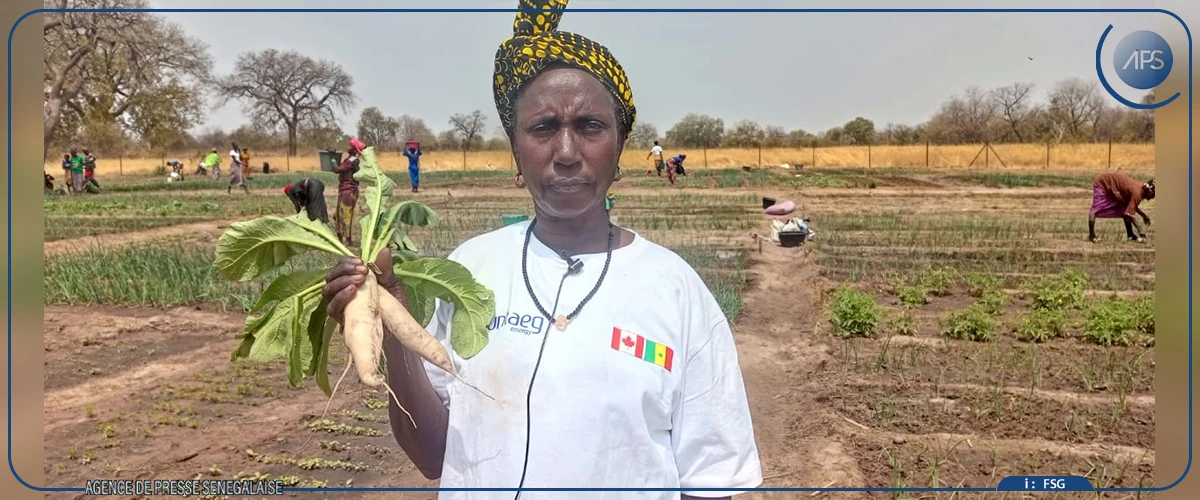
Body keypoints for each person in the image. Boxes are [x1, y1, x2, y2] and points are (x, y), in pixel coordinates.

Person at [320, 2, 762, 498]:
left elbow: (715, 481)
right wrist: (393, 319)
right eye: (544, 128)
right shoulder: (471, 270)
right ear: (516, 148)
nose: (568, 153)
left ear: (619, 145)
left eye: (591, 126)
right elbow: (430, 455)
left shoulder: (676, 290)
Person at [1089, 172, 1155, 243]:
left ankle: (1130, 235)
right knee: (1096, 209)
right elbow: (1128, 214)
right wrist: (1139, 227)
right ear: (1149, 191)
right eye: (1153, 195)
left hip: (1113, 186)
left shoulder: (1141, 189)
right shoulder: (1137, 193)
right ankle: (1092, 236)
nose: (1152, 198)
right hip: (1103, 183)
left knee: (1124, 207)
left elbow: (1131, 206)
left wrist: (1143, 215)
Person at [333, 138, 364, 246]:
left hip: (349, 191)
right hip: (344, 190)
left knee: (346, 215)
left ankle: (348, 240)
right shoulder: (349, 159)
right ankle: (340, 238)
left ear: (354, 149)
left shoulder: (352, 160)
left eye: (350, 145)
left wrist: (332, 159)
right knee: (337, 215)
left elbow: (337, 169)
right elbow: (339, 168)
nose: (347, 147)